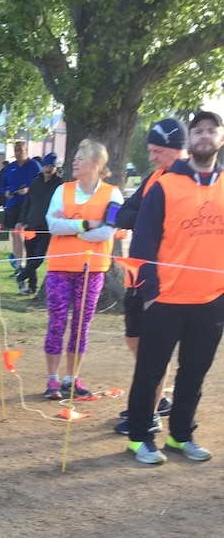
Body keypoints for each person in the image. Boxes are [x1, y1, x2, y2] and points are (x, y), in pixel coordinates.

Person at [125, 111, 224, 464]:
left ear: (220, 138)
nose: (205, 136)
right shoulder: (165, 184)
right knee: (150, 371)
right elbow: (143, 245)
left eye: (212, 130)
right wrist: (150, 293)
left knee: (194, 373)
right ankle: (139, 438)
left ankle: (181, 436)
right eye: (198, 130)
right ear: (189, 140)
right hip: (166, 299)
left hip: (212, 300)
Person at [112, 118, 188, 436]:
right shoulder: (154, 176)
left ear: (176, 150)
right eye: (150, 150)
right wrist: (144, 214)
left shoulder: (191, 181)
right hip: (136, 275)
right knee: (137, 344)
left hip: (167, 282)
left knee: (153, 352)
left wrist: (141, 216)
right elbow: (120, 214)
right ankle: (157, 399)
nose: (152, 156)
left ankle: (151, 412)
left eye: (157, 150)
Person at [42, 139, 122, 400]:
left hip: (93, 269)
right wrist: (85, 224)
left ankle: (71, 378)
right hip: (59, 267)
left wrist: (71, 228)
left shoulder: (113, 193)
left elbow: (108, 231)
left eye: (80, 157)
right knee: (56, 323)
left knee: (81, 325)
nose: (74, 161)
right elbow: (52, 224)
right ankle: (52, 379)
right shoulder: (62, 190)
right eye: (74, 157)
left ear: (97, 164)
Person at [15, 152, 63, 295]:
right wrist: (22, 221)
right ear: (42, 167)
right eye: (46, 166)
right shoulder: (35, 182)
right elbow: (27, 203)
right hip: (31, 225)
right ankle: (32, 286)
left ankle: (20, 276)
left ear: (55, 168)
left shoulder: (59, 184)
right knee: (30, 256)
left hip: (47, 227)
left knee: (39, 257)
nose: (48, 169)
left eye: (51, 166)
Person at [1, 142, 41, 276]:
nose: (19, 153)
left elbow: (41, 183)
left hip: (27, 205)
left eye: (21, 150)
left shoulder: (34, 166)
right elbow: (3, 184)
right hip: (12, 204)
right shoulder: (11, 167)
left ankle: (23, 264)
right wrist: (6, 192)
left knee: (19, 231)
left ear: (26, 150)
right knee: (14, 234)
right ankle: (18, 265)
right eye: (16, 150)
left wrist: (28, 190)